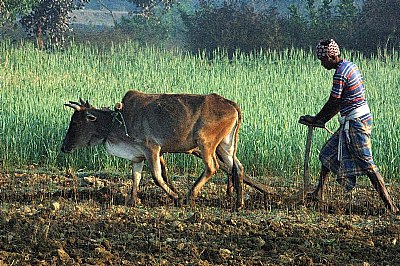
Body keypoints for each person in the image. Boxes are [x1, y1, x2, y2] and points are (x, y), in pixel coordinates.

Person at [299, 39, 398, 213]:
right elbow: (338, 104)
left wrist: (317, 119)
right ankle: (318, 192)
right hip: (353, 119)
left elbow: (334, 101)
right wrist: (321, 120)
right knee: (328, 153)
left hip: (356, 123)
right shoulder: (350, 66)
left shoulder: (340, 73)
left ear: (331, 56)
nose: (322, 64)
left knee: (368, 165)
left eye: (323, 60)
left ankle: (390, 206)